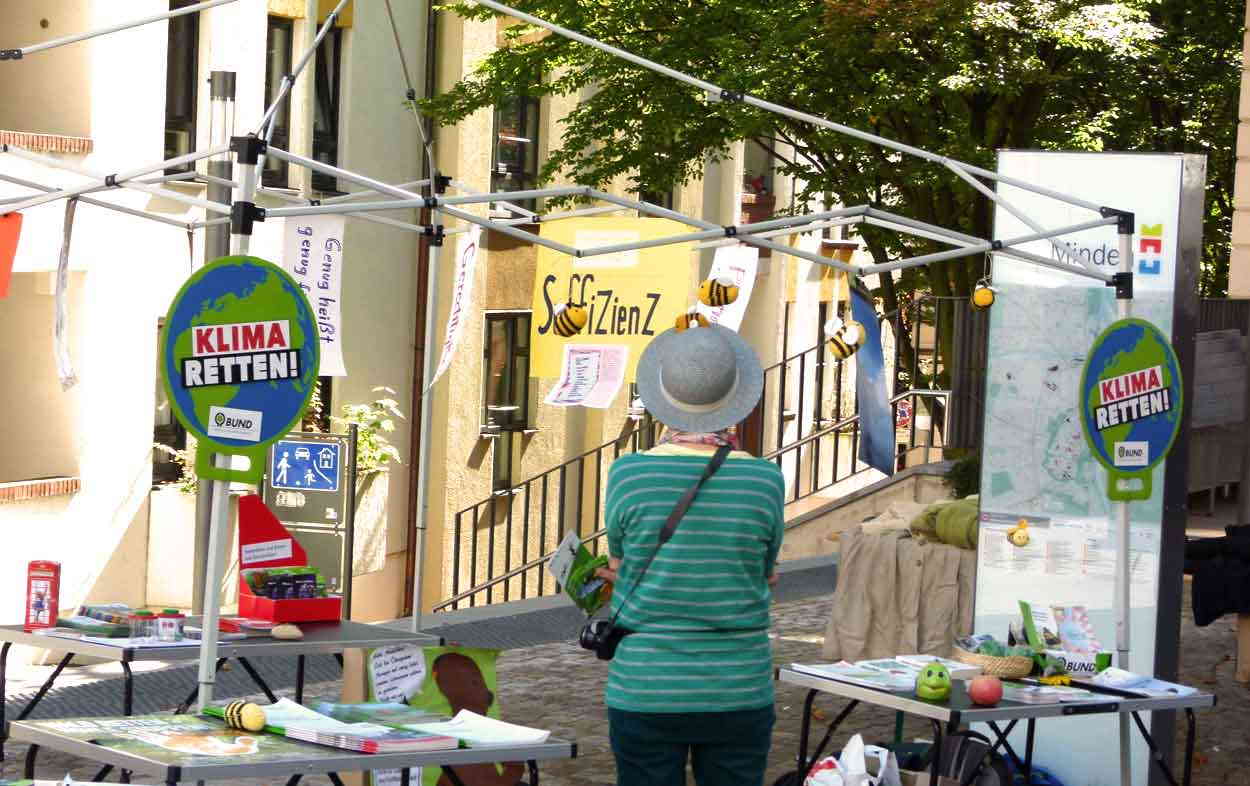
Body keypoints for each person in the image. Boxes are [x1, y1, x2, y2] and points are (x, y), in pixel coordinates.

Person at [596, 324, 784, 786]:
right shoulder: (765, 480)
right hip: (739, 684)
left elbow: (621, 564)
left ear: (663, 397)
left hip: (647, 684)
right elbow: (765, 573)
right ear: (736, 399)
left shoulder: (628, 474)